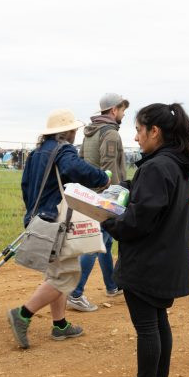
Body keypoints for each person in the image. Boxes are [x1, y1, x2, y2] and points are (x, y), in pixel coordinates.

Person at [103, 103, 189, 377]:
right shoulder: (172, 163)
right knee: (158, 322)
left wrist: (107, 220)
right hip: (164, 259)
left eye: (139, 130)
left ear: (155, 131)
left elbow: (139, 219)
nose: (136, 137)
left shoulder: (159, 166)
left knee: (147, 327)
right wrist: (126, 187)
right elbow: (150, 197)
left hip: (147, 262)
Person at [7, 109, 109, 349]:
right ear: (67, 132)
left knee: (56, 272)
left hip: (39, 218)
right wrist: (102, 178)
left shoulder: (36, 153)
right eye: (73, 130)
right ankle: (23, 314)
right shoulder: (63, 150)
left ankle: (60, 324)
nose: (75, 133)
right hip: (56, 221)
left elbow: (25, 187)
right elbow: (77, 170)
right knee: (66, 275)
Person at [67, 93, 129, 312]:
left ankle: (112, 286)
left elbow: (81, 162)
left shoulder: (89, 133)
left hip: (90, 194)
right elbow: (109, 168)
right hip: (105, 197)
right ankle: (75, 293)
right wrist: (114, 199)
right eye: (122, 109)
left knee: (106, 243)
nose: (123, 114)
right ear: (114, 110)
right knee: (95, 244)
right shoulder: (111, 133)